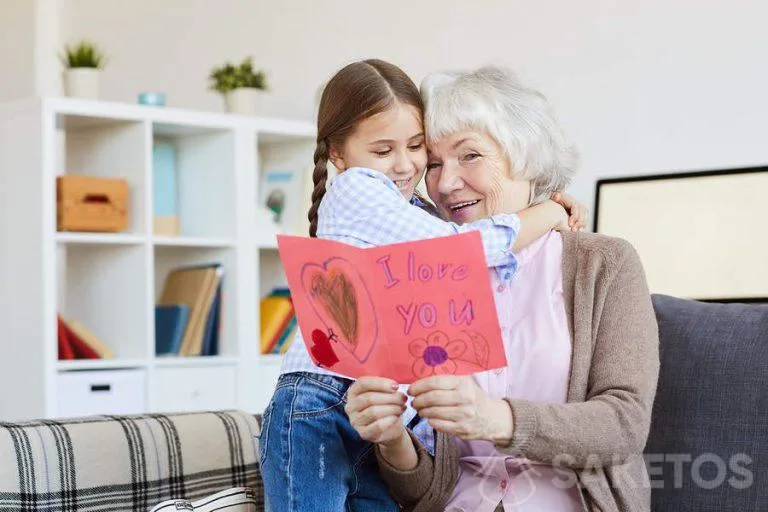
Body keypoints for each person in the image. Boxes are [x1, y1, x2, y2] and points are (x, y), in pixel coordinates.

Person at [258, 59, 588, 512]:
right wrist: (548, 212)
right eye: (382, 150)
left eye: (416, 147)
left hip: (380, 412)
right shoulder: (357, 188)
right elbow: (459, 250)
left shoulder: (411, 208)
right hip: (321, 401)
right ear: (337, 153)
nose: (404, 165)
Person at [345, 66, 660, 511]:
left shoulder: (602, 264)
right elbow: (425, 492)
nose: (446, 182)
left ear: (525, 154)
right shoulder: (423, 277)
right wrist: (392, 438)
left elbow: (624, 424)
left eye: (469, 156)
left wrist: (497, 418)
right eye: (433, 164)